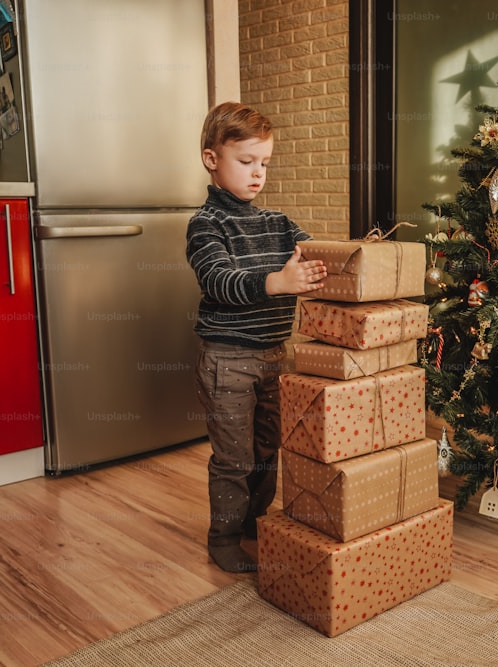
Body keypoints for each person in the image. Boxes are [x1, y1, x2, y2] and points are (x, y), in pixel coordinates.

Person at [185, 101, 327, 573]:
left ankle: (254, 522)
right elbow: (218, 281)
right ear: (212, 159)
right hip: (227, 360)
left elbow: (323, 254)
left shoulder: (279, 223)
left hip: (274, 357)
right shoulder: (206, 225)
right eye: (246, 162)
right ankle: (223, 538)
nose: (257, 173)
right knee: (234, 458)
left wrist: (355, 257)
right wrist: (277, 282)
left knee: (269, 448)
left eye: (264, 162)